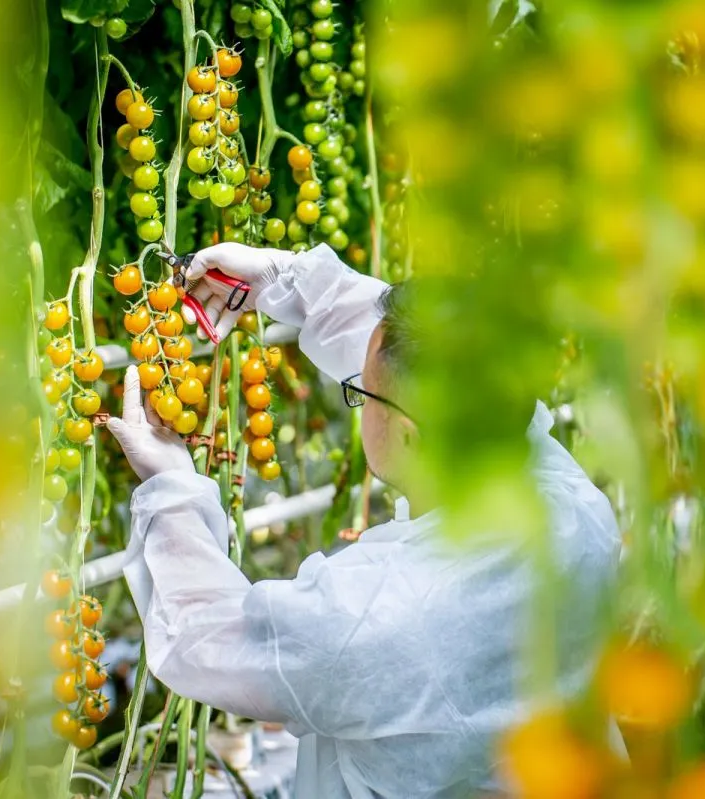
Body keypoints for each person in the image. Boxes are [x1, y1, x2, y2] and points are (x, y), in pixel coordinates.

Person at [107, 243, 621, 798]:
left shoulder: (376, 617)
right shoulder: (577, 515)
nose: (359, 395)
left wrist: (171, 487)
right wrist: (290, 283)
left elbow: (209, 632)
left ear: (408, 435)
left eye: (362, 394)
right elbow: (417, 363)